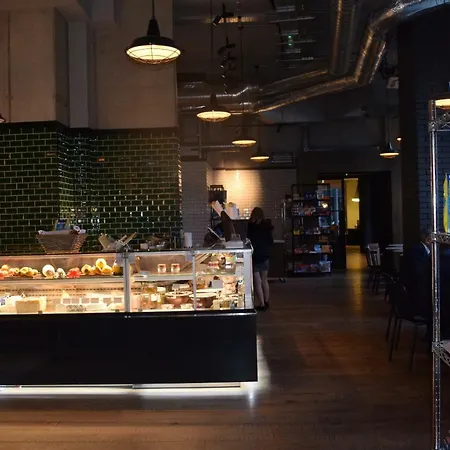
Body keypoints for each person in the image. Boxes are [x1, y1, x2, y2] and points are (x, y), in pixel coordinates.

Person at [247, 207, 274, 311]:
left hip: (255, 256)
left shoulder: (251, 226)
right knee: (264, 280)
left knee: (257, 281)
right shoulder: (267, 226)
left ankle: (262, 304)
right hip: (265, 255)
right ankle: (266, 301)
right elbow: (271, 241)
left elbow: (248, 240)